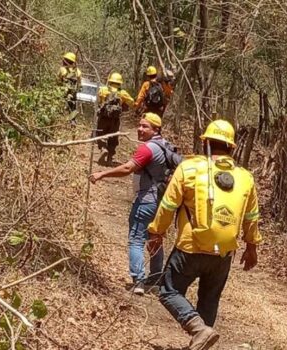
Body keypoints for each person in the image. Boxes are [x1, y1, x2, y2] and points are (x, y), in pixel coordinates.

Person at [147, 120, 261, 350]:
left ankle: (199, 330)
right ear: (232, 148)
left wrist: (156, 233)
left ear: (205, 143)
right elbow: (251, 217)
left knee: (168, 291)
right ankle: (202, 338)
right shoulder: (245, 178)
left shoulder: (189, 168)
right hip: (224, 253)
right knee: (209, 299)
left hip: (191, 247)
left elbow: (168, 205)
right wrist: (251, 247)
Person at [88, 113, 180, 295]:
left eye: (145, 126)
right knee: (155, 238)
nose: (140, 129)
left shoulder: (148, 149)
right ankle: (155, 279)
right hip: (162, 202)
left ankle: (138, 280)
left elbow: (127, 168)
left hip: (146, 201)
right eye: (139, 125)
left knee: (136, 239)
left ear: (156, 129)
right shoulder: (165, 146)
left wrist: (102, 175)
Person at [95, 72, 134, 164]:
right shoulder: (123, 93)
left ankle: (103, 148)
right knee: (113, 138)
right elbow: (132, 102)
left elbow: (99, 101)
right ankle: (109, 158)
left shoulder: (103, 90)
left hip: (103, 118)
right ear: (120, 83)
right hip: (115, 120)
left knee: (100, 134)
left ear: (110, 81)